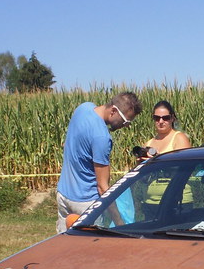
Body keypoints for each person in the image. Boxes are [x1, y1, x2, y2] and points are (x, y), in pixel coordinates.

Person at [56, 92, 142, 232]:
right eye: (126, 122)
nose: (126, 126)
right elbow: (102, 187)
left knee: (64, 243)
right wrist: (119, 222)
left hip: (63, 194)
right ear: (113, 111)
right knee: (91, 245)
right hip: (86, 203)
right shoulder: (101, 137)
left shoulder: (83, 108)